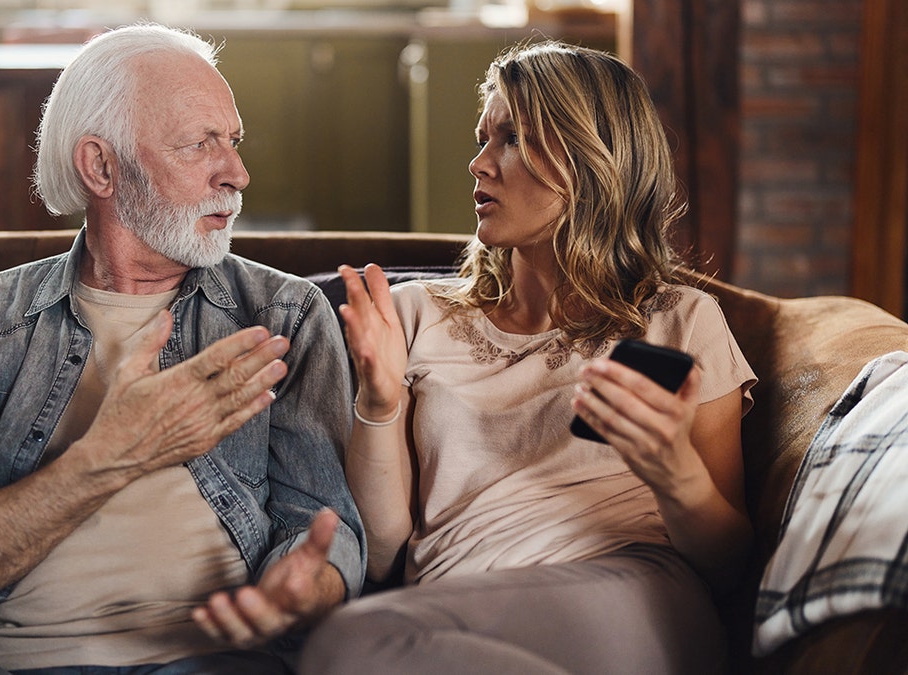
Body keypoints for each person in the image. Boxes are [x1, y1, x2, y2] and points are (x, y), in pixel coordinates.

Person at [0, 23, 365, 674]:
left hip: (209, 660)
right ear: (101, 166)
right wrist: (107, 457)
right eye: (200, 145)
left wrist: (305, 588)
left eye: (234, 142)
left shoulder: (285, 314)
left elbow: (323, 527)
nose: (237, 173)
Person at [301, 41, 758, 675]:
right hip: (445, 611)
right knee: (360, 642)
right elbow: (382, 554)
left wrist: (674, 471)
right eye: (483, 137)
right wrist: (377, 405)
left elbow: (730, 566)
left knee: (349, 645)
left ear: (591, 160)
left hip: (630, 597)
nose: (477, 163)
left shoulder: (674, 319)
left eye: (512, 139)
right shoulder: (412, 316)